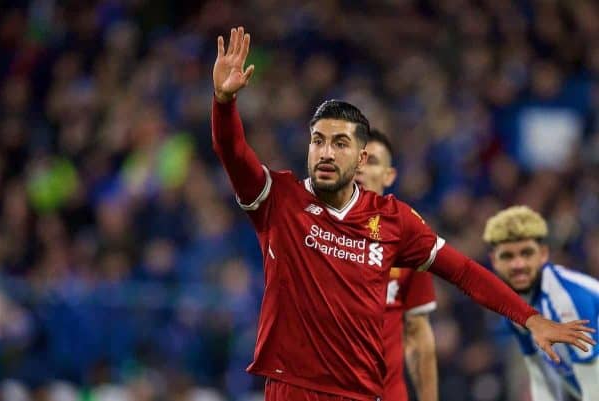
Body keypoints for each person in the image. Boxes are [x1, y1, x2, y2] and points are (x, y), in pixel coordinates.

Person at [211, 27, 594, 401]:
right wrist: (224, 103)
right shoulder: (279, 198)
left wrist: (530, 318)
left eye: (339, 143)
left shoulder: (393, 219)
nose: (326, 153)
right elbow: (233, 151)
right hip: (292, 388)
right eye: (318, 141)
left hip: (361, 393)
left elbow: (462, 271)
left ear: (361, 158)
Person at [483, 206, 599, 401]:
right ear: (494, 260)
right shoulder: (512, 306)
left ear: (543, 254)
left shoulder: (567, 300)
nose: (518, 265)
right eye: (508, 256)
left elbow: (593, 386)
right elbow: (541, 377)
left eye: (526, 253)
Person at [356, 129, 438, 401]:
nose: (361, 169)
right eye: (356, 159)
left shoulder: (407, 234)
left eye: (372, 161)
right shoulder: (310, 228)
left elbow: (417, 332)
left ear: (389, 176)